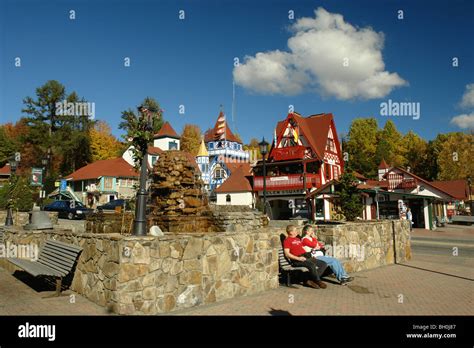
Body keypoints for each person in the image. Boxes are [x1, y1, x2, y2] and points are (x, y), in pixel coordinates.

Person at [283, 225, 328, 289]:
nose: (297, 231)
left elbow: (305, 247)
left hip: (306, 256)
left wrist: (310, 254)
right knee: (311, 265)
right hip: (297, 260)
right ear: (290, 232)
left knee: (323, 264)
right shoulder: (287, 241)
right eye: (295, 230)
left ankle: (310, 280)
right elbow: (287, 254)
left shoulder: (297, 239)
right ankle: (318, 281)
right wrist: (298, 258)